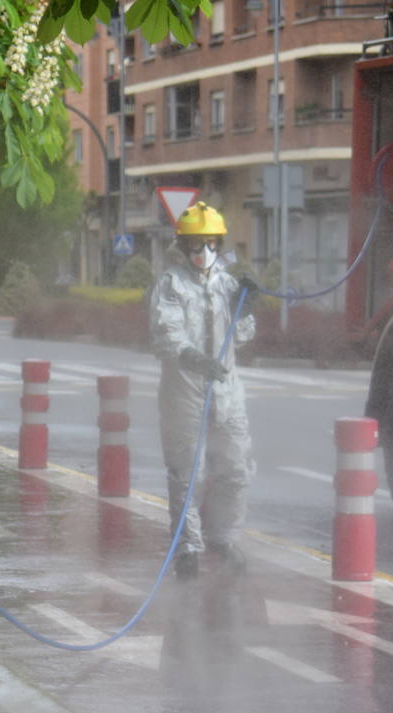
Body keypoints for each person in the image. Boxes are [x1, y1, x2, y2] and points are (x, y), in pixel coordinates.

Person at [148, 201, 257, 579]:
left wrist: (245, 308)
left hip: (227, 392)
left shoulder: (228, 284)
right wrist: (195, 359)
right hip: (184, 394)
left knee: (235, 468)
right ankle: (189, 548)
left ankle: (224, 538)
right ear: (183, 247)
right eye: (195, 245)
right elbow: (166, 338)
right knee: (185, 473)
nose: (203, 253)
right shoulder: (170, 285)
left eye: (209, 243)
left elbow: (242, 336)